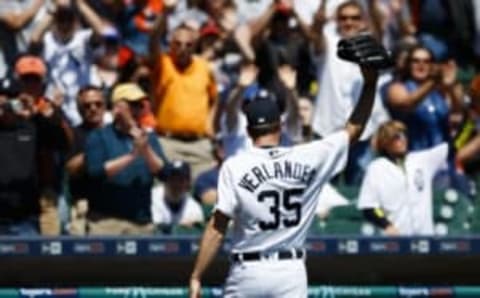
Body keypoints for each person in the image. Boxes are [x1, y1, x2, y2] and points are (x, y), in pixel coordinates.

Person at [189, 36, 381, 297]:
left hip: (248, 271)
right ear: (279, 127)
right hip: (290, 272)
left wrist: (196, 276)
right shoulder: (307, 156)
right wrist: (370, 84)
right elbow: (353, 130)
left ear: (249, 130)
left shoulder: (235, 165)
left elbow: (217, 226)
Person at [85, 83, 166, 235]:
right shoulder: (99, 136)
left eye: (140, 105)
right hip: (106, 223)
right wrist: (132, 156)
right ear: (117, 108)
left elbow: (163, 173)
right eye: (132, 105)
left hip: (141, 224)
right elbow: (96, 172)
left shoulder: (149, 138)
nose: (137, 110)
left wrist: (146, 149)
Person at [149, 12, 219, 180]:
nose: (183, 48)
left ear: (195, 46)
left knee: (209, 193)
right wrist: (164, 12)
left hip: (199, 144)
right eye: (178, 44)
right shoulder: (163, 64)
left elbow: (215, 99)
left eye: (188, 45)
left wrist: (209, 123)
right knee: (167, 192)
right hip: (168, 143)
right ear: (171, 45)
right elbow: (153, 40)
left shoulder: (204, 67)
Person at [357, 120, 449, 236]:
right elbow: (369, 207)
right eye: (396, 137)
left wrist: (471, 122)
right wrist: (386, 225)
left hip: (426, 239)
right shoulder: (377, 168)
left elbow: (452, 147)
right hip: (397, 241)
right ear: (385, 142)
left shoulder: (422, 160)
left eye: (403, 135)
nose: (402, 139)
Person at [65, 85, 106, 235]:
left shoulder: (116, 132)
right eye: (87, 105)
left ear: (105, 106)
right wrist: (97, 149)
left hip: (113, 206)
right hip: (84, 205)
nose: (93, 108)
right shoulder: (73, 135)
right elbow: (70, 168)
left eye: (98, 104)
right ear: (78, 109)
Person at [152, 160, 205, 234]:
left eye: (181, 180)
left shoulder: (193, 207)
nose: (176, 184)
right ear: (165, 180)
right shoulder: (151, 199)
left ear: (188, 183)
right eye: (172, 179)